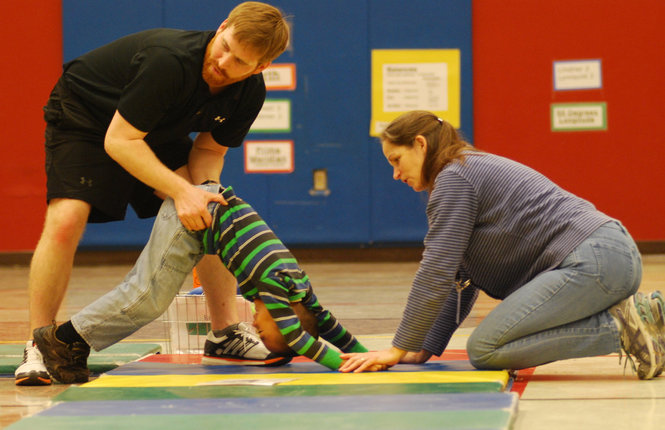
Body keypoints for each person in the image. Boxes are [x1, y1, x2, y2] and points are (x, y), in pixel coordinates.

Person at [16, 2, 290, 386]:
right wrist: (182, 191)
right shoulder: (170, 61)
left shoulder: (248, 94)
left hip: (150, 131)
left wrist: (201, 193)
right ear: (223, 25)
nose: (222, 61)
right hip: (88, 118)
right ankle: (39, 343)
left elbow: (209, 150)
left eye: (239, 61)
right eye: (224, 44)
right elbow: (119, 140)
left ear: (260, 68)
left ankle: (226, 331)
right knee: (66, 219)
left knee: (211, 210)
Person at [339, 110, 665, 380]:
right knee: (491, 345)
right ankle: (641, 318)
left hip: (594, 261)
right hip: (607, 257)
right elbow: (459, 279)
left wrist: (398, 347)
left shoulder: (455, 177)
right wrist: (424, 346)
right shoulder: (462, 170)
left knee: (486, 349)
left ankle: (622, 327)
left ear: (420, 145)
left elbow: (436, 269)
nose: (396, 174)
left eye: (396, 159)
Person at [33, 184, 372, 384]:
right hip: (195, 214)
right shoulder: (275, 290)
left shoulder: (301, 290)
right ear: (285, 316)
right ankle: (63, 339)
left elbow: (328, 324)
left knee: (148, 295)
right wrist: (344, 363)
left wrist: (366, 354)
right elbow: (300, 337)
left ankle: (71, 339)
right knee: (146, 297)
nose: (256, 326)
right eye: (266, 331)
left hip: (207, 213)